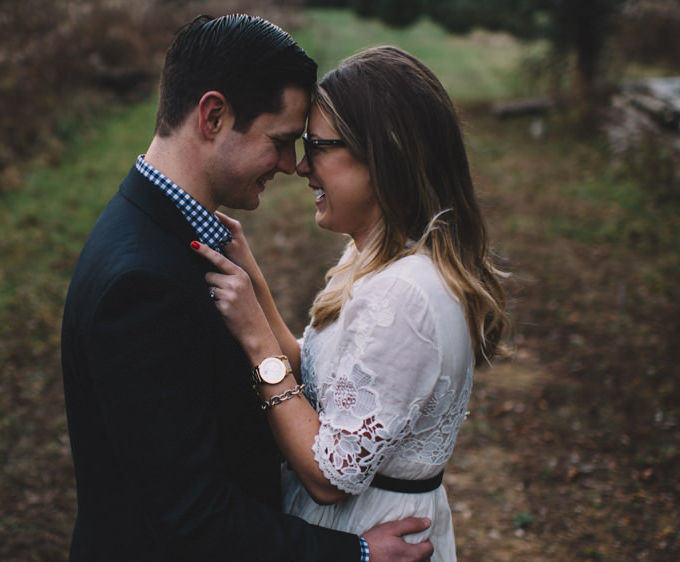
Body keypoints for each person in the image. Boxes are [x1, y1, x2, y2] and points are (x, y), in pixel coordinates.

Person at [61, 15, 435, 562]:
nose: (292, 165)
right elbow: (192, 515)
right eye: (281, 142)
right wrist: (355, 553)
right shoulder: (141, 283)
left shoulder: (170, 236)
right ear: (213, 115)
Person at [191, 46, 511, 561]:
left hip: (372, 529)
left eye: (317, 147)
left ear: (383, 153)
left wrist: (256, 343)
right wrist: (254, 282)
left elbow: (329, 474)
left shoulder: (403, 295)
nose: (300, 167)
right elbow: (323, 383)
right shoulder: (381, 262)